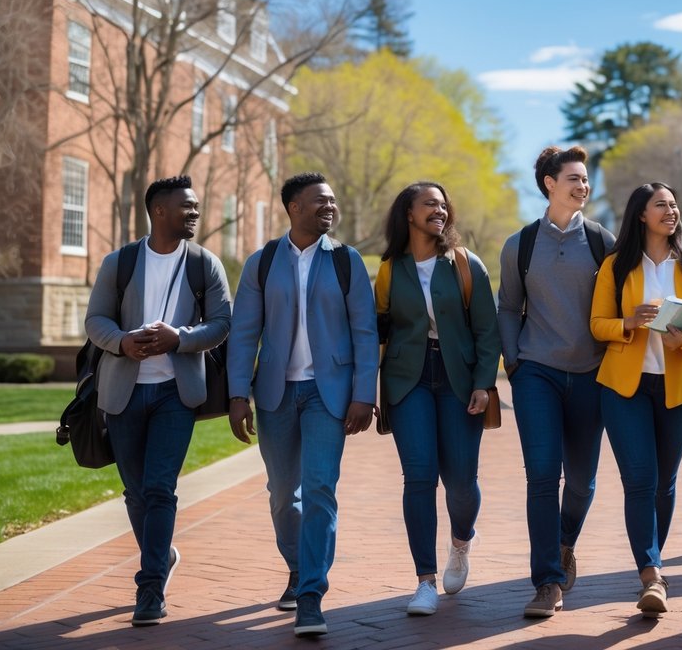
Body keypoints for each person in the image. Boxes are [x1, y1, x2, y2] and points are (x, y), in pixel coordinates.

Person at [226, 172, 378, 637]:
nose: (329, 208)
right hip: (275, 394)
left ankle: (311, 594)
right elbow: (244, 331)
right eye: (319, 201)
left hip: (327, 396)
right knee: (281, 495)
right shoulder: (263, 261)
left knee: (319, 491)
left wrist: (363, 395)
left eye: (332, 201)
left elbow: (365, 333)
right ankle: (297, 566)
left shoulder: (347, 262)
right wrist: (237, 393)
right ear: (294, 208)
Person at [85, 175, 231, 627]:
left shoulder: (204, 263)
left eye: (196, 207)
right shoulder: (120, 262)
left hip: (176, 393)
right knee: (134, 490)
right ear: (159, 211)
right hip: (123, 392)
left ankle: (149, 590)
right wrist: (123, 341)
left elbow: (223, 322)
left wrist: (180, 338)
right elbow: (95, 320)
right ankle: (162, 555)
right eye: (186, 207)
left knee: (160, 488)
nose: (195, 213)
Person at [496, 147, 615, 618]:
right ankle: (546, 581)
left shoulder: (603, 242)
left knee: (582, 483)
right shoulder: (520, 244)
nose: (582, 186)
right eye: (573, 178)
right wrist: (513, 361)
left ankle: (565, 542)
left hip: (591, 374)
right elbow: (508, 306)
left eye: (585, 179)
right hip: (537, 374)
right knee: (543, 476)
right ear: (549, 183)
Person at [375, 182, 502, 617]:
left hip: (459, 380)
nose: (440, 210)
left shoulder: (466, 265)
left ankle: (461, 543)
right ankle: (424, 580)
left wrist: (484, 384)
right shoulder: (391, 268)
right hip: (408, 381)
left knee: (462, 482)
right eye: (429, 203)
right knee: (419, 478)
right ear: (408, 213)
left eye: (444, 204)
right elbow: (379, 329)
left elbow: (487, 330)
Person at [590, 182, 682, 617]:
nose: (671, 211)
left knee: (665, 481)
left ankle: (653, 559)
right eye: (661, 205)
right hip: (625, 387)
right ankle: (651, 572)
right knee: (640, 479)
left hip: (678, 388)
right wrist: (629, 321)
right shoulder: (616, 266)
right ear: (641, 214)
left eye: (674, 205)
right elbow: (597, 325)